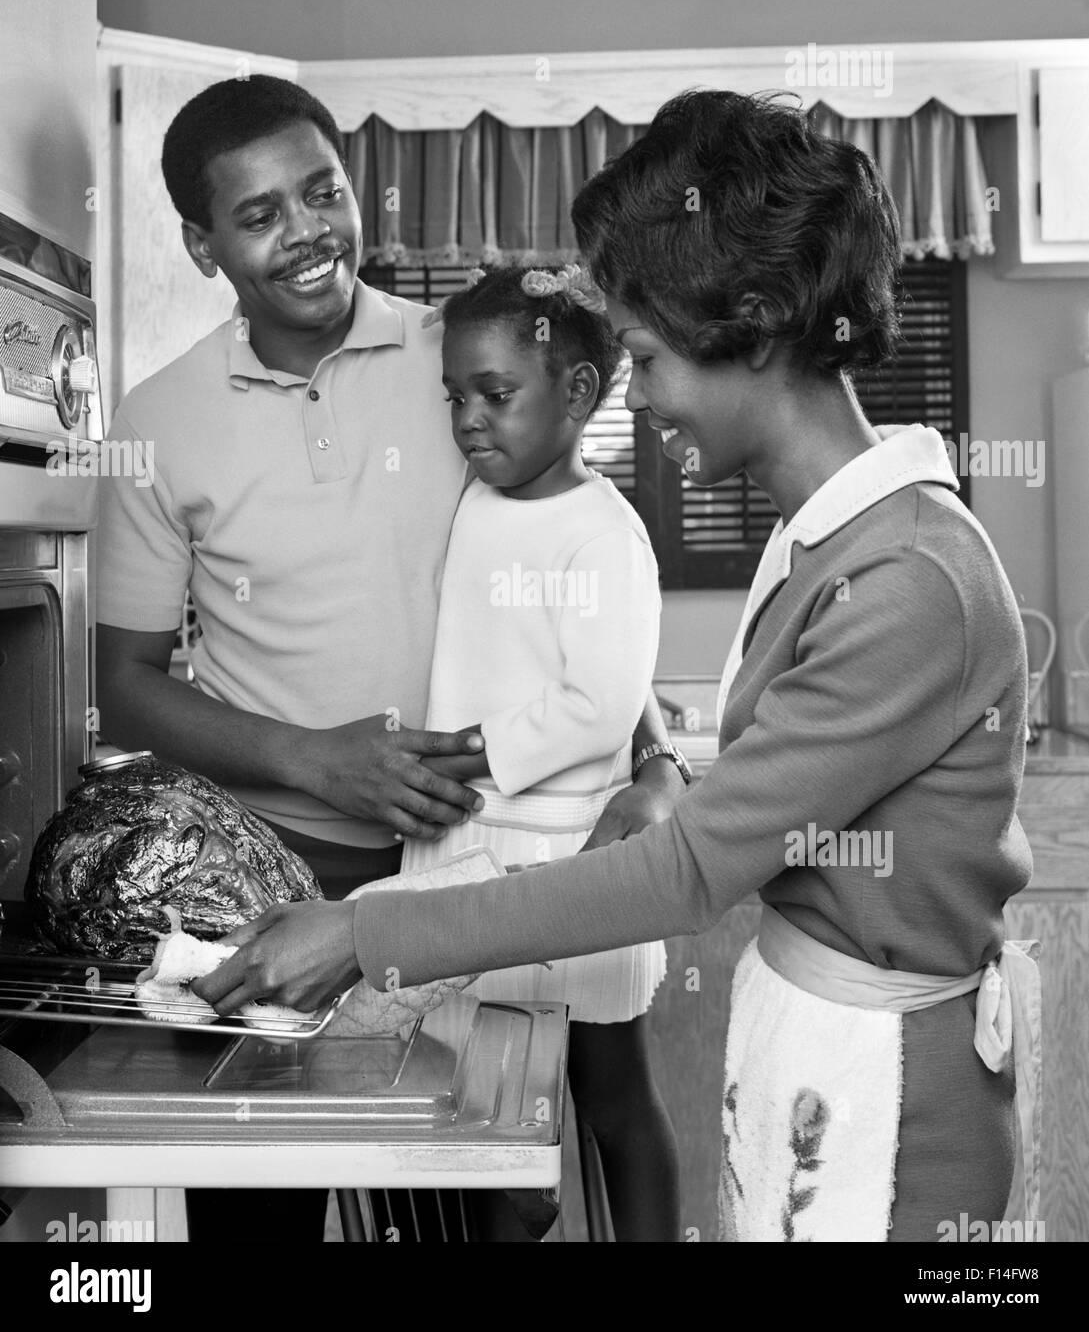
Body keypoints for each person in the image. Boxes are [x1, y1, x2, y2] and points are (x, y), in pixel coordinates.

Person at [196, 89, 1039, 1242]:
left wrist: (364, 932)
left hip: (901, 1127)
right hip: (825, 1070)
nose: (634, 397)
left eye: (644, 357)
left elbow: (688, 873)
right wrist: (657, 757)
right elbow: (772, 777)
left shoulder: (908, 580)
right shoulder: (832, 539)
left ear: (752, 319)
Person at [95, 75, 688, 1241]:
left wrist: (656, 759)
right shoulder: (153, 426)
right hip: (272, 874)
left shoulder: (458, 362)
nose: (308, 230)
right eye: (259, 214)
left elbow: (582, 576)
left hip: (470, 864)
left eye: (322, 190)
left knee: (471, 1188)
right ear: (201, 246)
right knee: (257, 1208)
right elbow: (120, 682)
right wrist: (316, 760)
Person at [399, 264, 680, 1241]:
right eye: (456, 398)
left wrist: (459, 755)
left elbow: (601, 707)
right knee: (491, 1129)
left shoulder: (605, 534)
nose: (470, 419)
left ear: (578, 396)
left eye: (495, 394)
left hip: (576, 861)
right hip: (472, 857)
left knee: (614, 1106)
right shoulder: (481, 501)